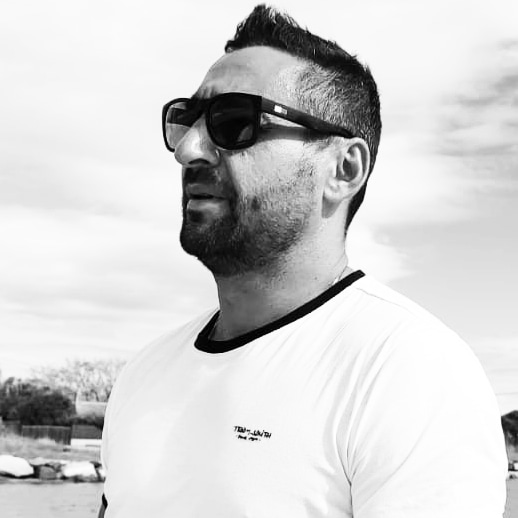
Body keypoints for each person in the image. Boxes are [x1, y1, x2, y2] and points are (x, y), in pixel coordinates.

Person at [99, 5, 508, 517]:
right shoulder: (145, 372)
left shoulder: (410, 372)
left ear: (343, 169)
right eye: (186, 121)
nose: (189, 150)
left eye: (234, 121)